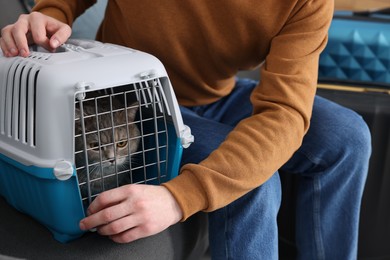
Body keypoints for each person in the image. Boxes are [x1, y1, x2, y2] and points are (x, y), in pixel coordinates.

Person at [0, 1, 371, 259]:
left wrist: (181, 197)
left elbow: (286, 114)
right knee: (256, 182)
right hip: (135, 102)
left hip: (219, 93)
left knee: (348, 138)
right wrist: (49, 14)